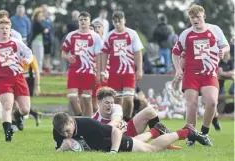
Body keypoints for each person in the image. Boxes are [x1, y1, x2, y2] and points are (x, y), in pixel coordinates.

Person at [172, 5, 230, 146]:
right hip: (191, 74)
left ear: (203, 16)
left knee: (212, 103)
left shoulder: (215, 30)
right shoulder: (186, 34)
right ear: (189, 19)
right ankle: (191, 136)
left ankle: (204, 133)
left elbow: (226, 46)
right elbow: (175, 52)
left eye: (197, 17)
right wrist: (178, 69)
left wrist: (223, 51)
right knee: (191, 105)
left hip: (209, 73)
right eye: (192, 18)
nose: (195, 20)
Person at [52, 112, 211, 152]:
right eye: (63, 133)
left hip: (113, 141)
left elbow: (115, 131)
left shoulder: (89, 124)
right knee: (140, 141)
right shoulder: (58, 130)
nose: (67, 135)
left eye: (68, 131)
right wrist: (61, 148)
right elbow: (59, 149)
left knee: (152, 150)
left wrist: (114, 151)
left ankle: (186, 132)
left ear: (72, 121)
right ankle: (156, 131)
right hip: (103, 145)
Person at [0, 18, 33, 141]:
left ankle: (17, 114)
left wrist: (27, 60)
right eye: (2, 28)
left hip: (18, 77)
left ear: (10, 30)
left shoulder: (16, 42)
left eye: (6, 28)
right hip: (2, 78)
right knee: (7, 105)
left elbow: (29, 54)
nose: (4, 30)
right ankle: (8, 133)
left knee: (25, 110)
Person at [98, 11, 143, 122]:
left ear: (124, 21)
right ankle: (118, 123)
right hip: (114, 73)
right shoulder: (110, 35)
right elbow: (104, 53)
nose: (117, 24)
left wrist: (140, 70)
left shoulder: (132, 34)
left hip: (128, 73)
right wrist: (103, 70)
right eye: (115, 22)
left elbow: (138, 53)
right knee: (117, 102)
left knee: (128, 99)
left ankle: (128, 121)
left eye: (120, 21)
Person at [61, 11, 103, 116]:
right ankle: (80, 117)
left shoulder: (95, 37)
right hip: (74, 70)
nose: (83, 22)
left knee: (86, 99)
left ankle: (88, 124)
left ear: (89, 22)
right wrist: (68, 57)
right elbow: (64, 53)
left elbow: (99, 56)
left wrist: (98, 73)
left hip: (89, 71)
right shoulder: (71, 35)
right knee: (72, 98)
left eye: (85, 20)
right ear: (78, 21)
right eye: (81, 20)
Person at [0, 10, 23, 131]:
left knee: (13, 99)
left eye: (3, 18)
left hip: (14, 72)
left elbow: (22, 53)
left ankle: (15, 119)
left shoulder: (16, 36)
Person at [41, 4, 54, 73]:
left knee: (48, 54)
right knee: (42, 54)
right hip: (42, 39)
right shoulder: (40, 18)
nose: (44, 11)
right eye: (43, 10)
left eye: (45, 10)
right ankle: (42, 67)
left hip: (49, 39)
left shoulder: (49, 19)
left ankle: (47, 68)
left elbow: (51, 28)